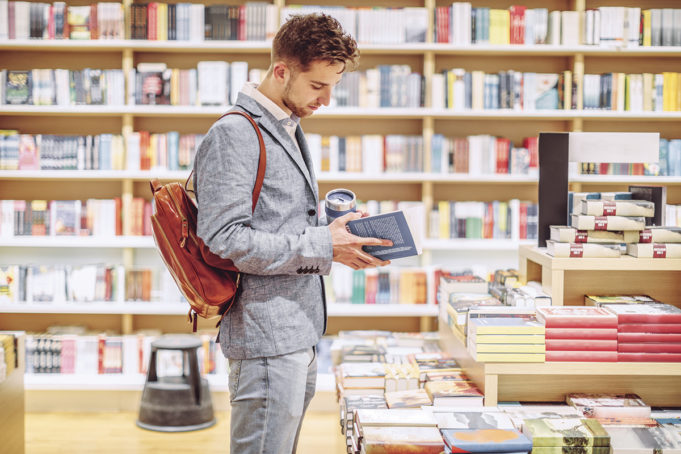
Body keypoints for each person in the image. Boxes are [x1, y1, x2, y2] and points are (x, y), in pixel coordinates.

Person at [193, 13, 392, 454]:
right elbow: (224, 239)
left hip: (297, 330)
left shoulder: (285, 125)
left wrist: (340, 238)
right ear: (281, 71)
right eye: (317, 86)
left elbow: (277, 223)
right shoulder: (235, 134)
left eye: (332, 87)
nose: (326, 99)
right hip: (265, 336)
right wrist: (324, 244)